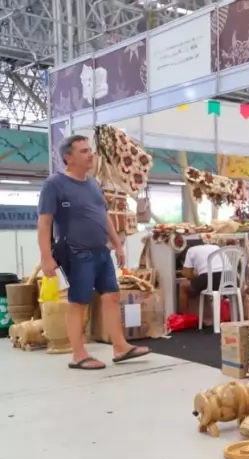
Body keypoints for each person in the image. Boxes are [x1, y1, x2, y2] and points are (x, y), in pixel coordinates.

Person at [37, 135, 151, 370]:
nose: (90, 154)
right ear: (68, 157)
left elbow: (103, 215)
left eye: (90, 150)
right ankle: (78, 355)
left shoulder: (92, 184)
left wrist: (117, 245)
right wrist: (46, 257)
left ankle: (120, 347)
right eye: (83, 151)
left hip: (101, 251)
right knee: (79, 301)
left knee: (112, 296)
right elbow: (44, 222)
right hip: (75, 252)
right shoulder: (54, 184)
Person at [179, 238, 224, 325]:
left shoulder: (190, 250)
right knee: (201, 283)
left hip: (210, 279)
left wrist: (195, 275)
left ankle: (184, 319)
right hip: (229, 279)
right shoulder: (216, 247)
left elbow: (188, 275)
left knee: (183, 286)